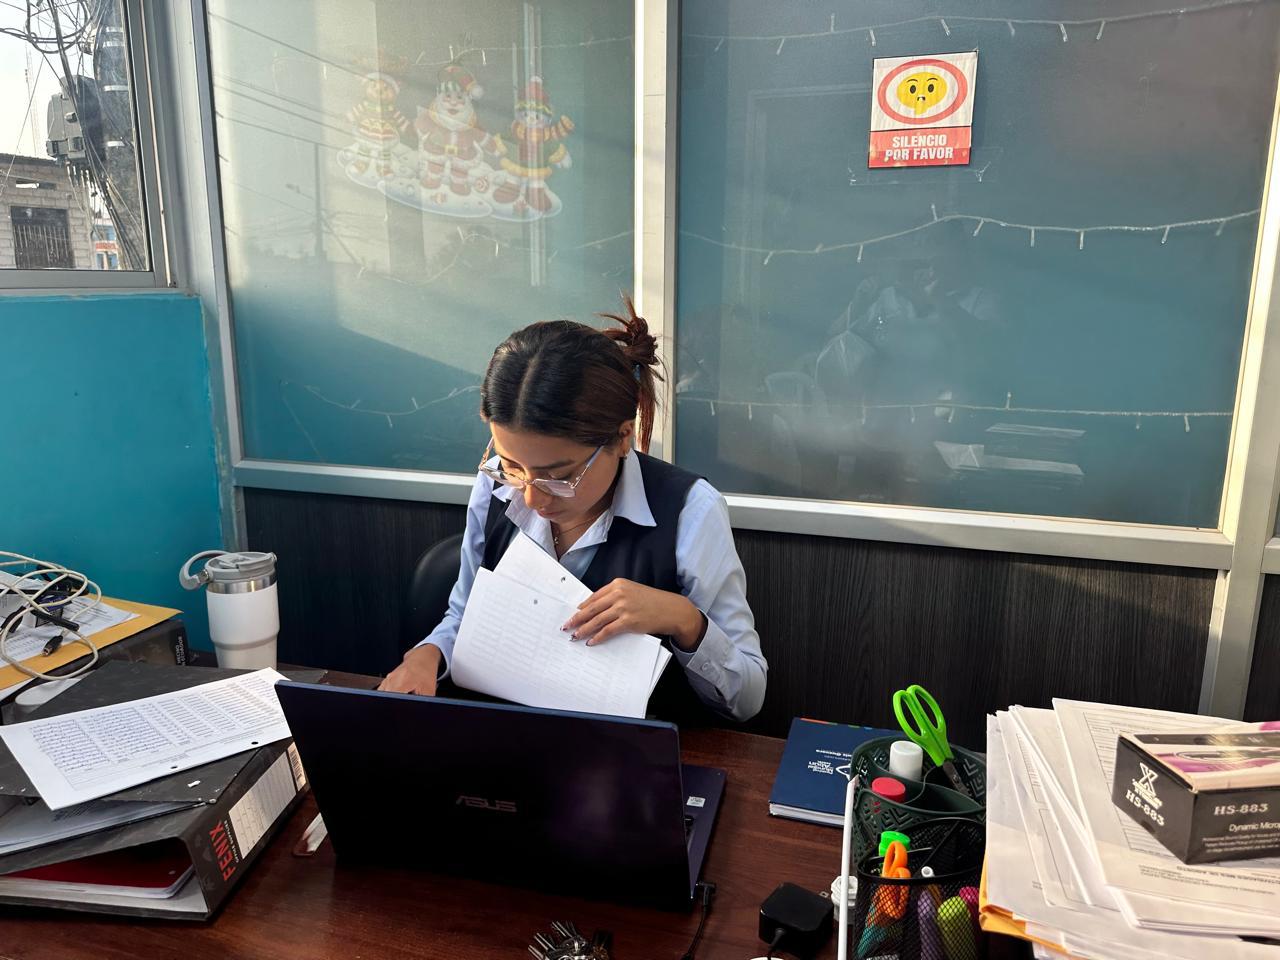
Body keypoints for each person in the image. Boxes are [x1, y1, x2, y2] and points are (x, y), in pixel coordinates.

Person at [380, 298, 768, 722]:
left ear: (623, 437)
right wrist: (429, 652)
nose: (531, 498)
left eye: (559, 476)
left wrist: (685, 620)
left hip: (632, 748)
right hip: (506, 732)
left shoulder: (690, 511)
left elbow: (747, 698)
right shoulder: (495, 487)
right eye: (512, 466)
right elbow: (465, 612)